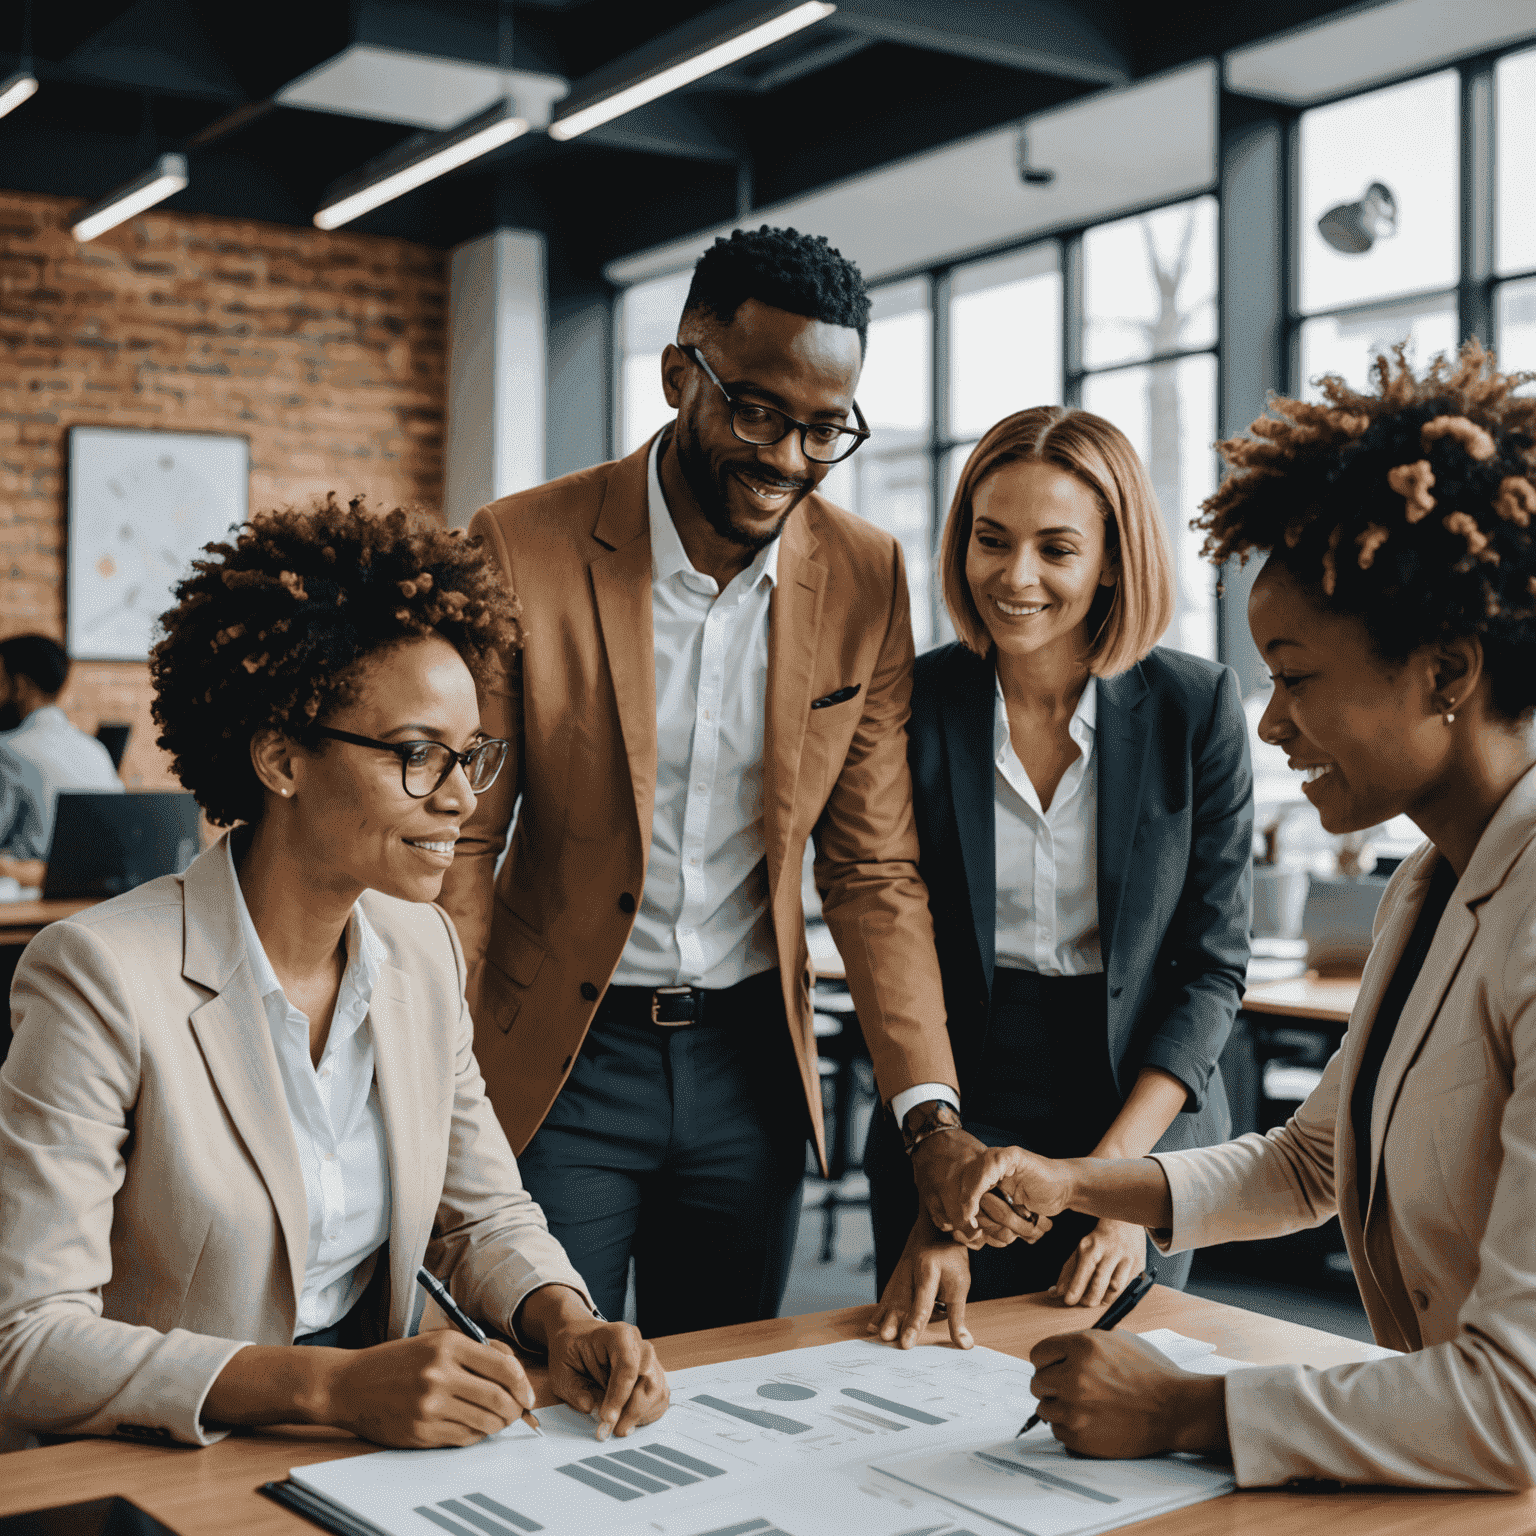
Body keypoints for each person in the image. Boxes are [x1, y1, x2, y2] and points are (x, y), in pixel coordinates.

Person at [953, 343, 1536, 1491]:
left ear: (1448, 672)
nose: (1269, 726)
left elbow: (1516, 1403)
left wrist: (1183, 1406)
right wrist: (1074, 1183)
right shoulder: (1430, 882)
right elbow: (1312, 1161)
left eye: (1298, 676)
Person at [0, 497, 666, 1452]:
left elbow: (480, 1211)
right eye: (417, 757)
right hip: (170, 1454)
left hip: (376, 1443)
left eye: (472, 756)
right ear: (280, 758)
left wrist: (561, 1316)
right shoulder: (101, 975)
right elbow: (25, 1340)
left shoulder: (422, 950)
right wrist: (332, 1388)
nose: (462, 799)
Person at [437, 226, 970, 1339]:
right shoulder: (520, 546)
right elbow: (463, 839)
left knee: (720, 1391)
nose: (787, 458)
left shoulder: (866, 575)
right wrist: (429, 1057)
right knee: (541, 1382)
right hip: (561, 1062)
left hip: (749, 1070)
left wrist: (928, 1111)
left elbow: (872, 869)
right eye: (759, 411)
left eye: (827, 430)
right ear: (684, 374)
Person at [865, 408, 1252, 1349]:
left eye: (1056, 548)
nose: (1016, 577)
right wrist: (940, 1196)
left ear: (1113, 560)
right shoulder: (914, 703)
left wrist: (1118, 1188)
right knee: (928, 1393)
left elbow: (1210, 970)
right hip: (957, 1101)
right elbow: (897, 935)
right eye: (991, 542)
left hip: (1139, 1109)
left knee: (1115, 1406)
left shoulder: (1194, 708)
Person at [0, 633, 122, 861]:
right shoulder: (96, 750)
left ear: (20, 686)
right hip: (99, 889)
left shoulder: (6, 750)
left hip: (27, 890)